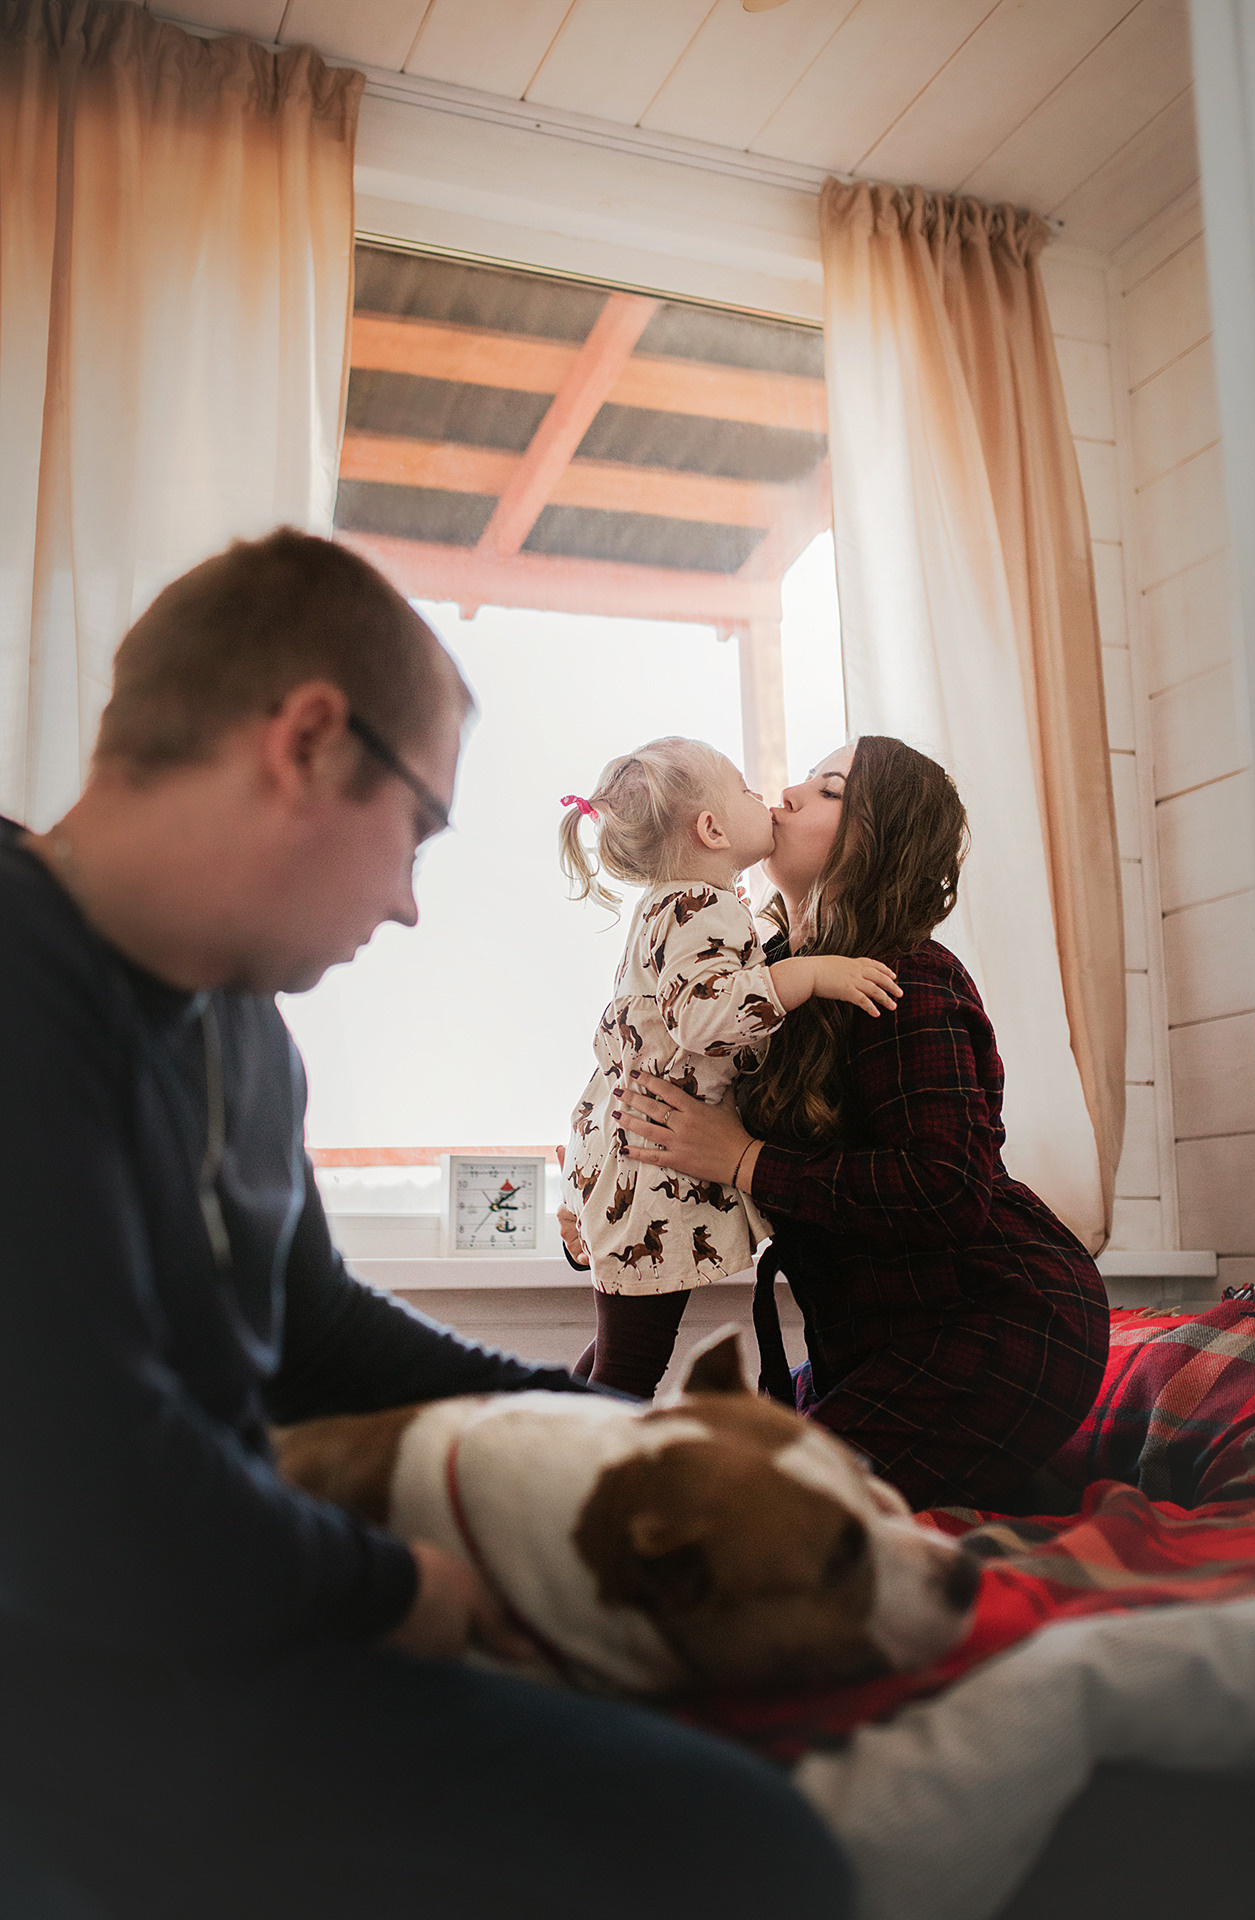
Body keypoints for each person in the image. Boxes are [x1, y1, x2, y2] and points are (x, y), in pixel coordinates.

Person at [0, 531, 853, 1920]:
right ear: (309, 744)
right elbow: (82, 1492)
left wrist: (620, 1429)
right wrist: (404, 1588)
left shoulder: (244, 1032)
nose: (405, 902)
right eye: (417, 833)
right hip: (56, 1703)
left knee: (761, 1828)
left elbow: (317, 1329)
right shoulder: (25, 980)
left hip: (225, 1653)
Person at [613, 735, 1111, 1513]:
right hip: (871, 1338)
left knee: (749, 1513)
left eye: (830, 788)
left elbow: (946, 1189)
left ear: (879, 839)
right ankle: (1014, 1486)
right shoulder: (769, 978)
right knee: (701, 1466)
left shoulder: (908, 979)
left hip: (1000, 1324)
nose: (787, 795)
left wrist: (746, 1162)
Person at [558, 737, 900, 1398]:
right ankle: (567, 1476)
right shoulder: (699, 908)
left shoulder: (683, 905)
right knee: (630, 1363)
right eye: (747, 791)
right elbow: (704, 1019)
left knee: (618, 1351)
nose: (768, 798)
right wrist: (810, 974)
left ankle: (551, 1442)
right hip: (656, 1171)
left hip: (639, 1159)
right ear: (712, 829)